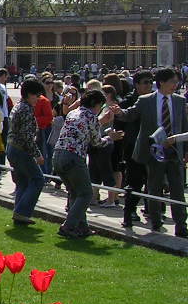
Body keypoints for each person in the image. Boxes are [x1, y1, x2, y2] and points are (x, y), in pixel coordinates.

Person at [117, 66, 188, 236]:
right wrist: (119, 112)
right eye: (172, 82)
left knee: (177, 189)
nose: (175, 85)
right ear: (162, 82)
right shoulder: (146, 100)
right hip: (154, 151)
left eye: (177, 82)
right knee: (154, 188)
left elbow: (184, 125)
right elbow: (131, 114)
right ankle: (156, 222)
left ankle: (181, 225)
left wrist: (186, 150)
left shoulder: (179, 101)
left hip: (174, 151)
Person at [53, 90, 123, 238]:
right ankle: (68, 226)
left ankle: (82, 227)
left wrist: (100, 121)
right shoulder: (91, 116)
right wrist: (110, 138)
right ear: (95, 104)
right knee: (86, 193)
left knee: (75, 192)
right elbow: (97, 142)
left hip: (58, 155)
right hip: (74, 157)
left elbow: (85, 127)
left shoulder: (73, 113)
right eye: (100, 105)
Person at [117, 70, 154, 229]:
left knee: (152, 179)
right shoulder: (127, 102)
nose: (149, 85)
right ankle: (130, 210)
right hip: (133, 146)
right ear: (137, 84)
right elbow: (119, 124)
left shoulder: (154, 100)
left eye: (151, 82)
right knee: (134, 180)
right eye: (145, 82)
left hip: (152, 145)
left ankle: (151, 207)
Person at [7, 78, 47, 225]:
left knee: (23, 181)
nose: (38, 98)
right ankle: (22, 212)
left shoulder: (19, 106)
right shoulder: (26, 109)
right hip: (21, 150)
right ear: (29, 94)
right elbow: (26, 136)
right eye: (37, 95)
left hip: (12, 148)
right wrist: (37, 154)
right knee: (38, 179)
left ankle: (19, 212)